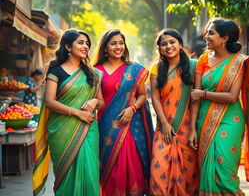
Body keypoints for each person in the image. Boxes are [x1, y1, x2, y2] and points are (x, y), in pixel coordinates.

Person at [32, 29, 104, 196]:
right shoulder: (55, 70)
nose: (85, 46)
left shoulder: (92, 73)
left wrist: (95, 101)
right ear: (68, 46)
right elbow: (50, 102)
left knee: (90, 172)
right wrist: (77, 113)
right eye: (80, 42)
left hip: (88, 130)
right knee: (65, 176)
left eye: (87, 43)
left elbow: (102, 103)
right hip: (62, 130)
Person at [189, 18, 249, 195]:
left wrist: (203, 94)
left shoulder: (239, 62)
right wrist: (192, 129)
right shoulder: (203, 59)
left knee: (225, 171)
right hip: (204, 120)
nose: (206, 37)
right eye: (207, 33)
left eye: (211, 33)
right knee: (208, 170)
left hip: (230, 120)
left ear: (225, 38)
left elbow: (232, 97)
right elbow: (194, 99)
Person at [93, 29, 154, 196]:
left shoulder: (133, 69)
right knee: (110, 174)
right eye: (113, 43)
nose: (118, 46)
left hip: (131, 128)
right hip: (105, 129)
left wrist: (132, 108)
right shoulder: (95, 71)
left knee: (132, 168)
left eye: (121, 43)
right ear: (105, 48)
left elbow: (143, 95)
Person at [149, 28, 199, 196]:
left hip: (186, 129)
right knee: (158, 172)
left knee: (189, 175)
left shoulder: (193, 66)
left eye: (172, 42)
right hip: (164, 128)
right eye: (164, 44)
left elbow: (195, 100)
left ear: (180, 44)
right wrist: (164, 123)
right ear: (159, 48)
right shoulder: (156, 68)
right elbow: (155, 97)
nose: (168, 46)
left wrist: (193, 130)